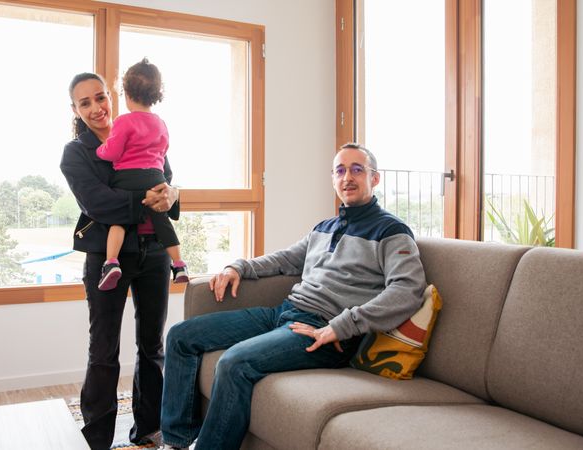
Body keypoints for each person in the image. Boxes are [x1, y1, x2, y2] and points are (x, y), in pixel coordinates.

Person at [159, 143, 428, 450]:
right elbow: (285, 259)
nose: (347, 178)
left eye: (357, 169)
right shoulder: (325, 227)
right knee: (181, 336)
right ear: (332, 179)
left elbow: (406, 291)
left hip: (323, 333)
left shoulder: (391, 231)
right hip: (285, 313)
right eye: (340, 170)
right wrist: (239, 266)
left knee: (234, 363)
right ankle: (175, 442)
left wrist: (342, 326)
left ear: (375, 179)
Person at [60, 72, 179, 450]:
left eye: (100, 97)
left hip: (155, 254)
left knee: (152, 346)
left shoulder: (144, 130)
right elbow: (98, 203)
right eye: (85, 103)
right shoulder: (76, 153)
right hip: (107, 259)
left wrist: (173, 195)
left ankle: (149, 430)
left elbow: (167, 183)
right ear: (76, 110)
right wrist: (152, 199)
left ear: (113, 96)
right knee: (103, 350)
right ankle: (96, 439)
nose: (96, 108)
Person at [95, 58, 188, 291]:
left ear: (126, 93)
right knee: (162, 221)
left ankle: (112, 263)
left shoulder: (123, 121)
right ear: (155, 94)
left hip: (128, 178)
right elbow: (163, 151)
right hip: (156, 177)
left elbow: (112, 152)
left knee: (120, 220)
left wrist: (101, 149)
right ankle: (178, 265)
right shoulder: (161, 123)